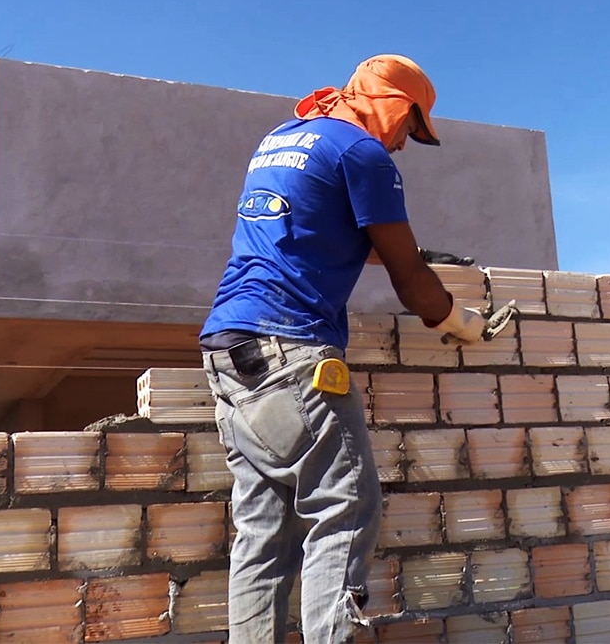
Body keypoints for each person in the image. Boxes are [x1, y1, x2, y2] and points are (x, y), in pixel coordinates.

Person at [199, 54, 485, 643]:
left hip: (227, 352)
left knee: (263, 536)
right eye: (411, 128)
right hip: (292, 352)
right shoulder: (363, 153)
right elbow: (409, 283)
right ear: (395, 107)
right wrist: (460, 320)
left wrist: (420, 255)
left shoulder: (282, 139)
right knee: (347, 509)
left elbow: (322, 227)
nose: (405, 144)